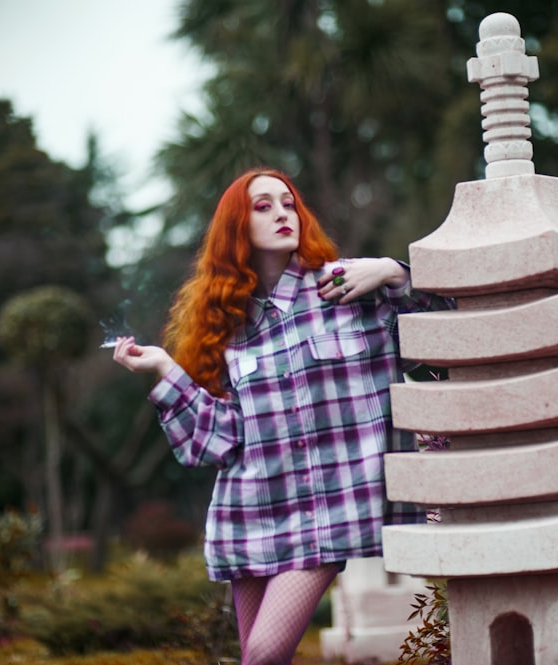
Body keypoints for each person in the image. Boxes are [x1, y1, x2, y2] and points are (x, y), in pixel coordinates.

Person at [112, 167, 445, 665]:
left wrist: (393, 271)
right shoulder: (225, 323)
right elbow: (217, 442)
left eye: (288, 204)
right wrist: (164, 368)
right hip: (249, 510)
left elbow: (452, 318)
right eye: (263, 207)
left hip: (329, 511)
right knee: (259, 658)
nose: (282, 214)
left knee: (263, 655)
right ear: (236, 228)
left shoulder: (346, 285)